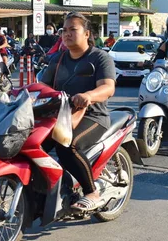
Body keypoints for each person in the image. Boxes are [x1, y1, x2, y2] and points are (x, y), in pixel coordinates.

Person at [40, 12, 116, 212]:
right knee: (31, 143)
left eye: (73, 29)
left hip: (93, 116)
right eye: (64, 30)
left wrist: (89, 95)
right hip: (59, 115)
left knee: (67, 144)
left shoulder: (100, 57)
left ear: (86, 33)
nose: (67, 34)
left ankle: (91, 192)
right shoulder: (58, 59)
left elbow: (108, 87)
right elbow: (42, 86)